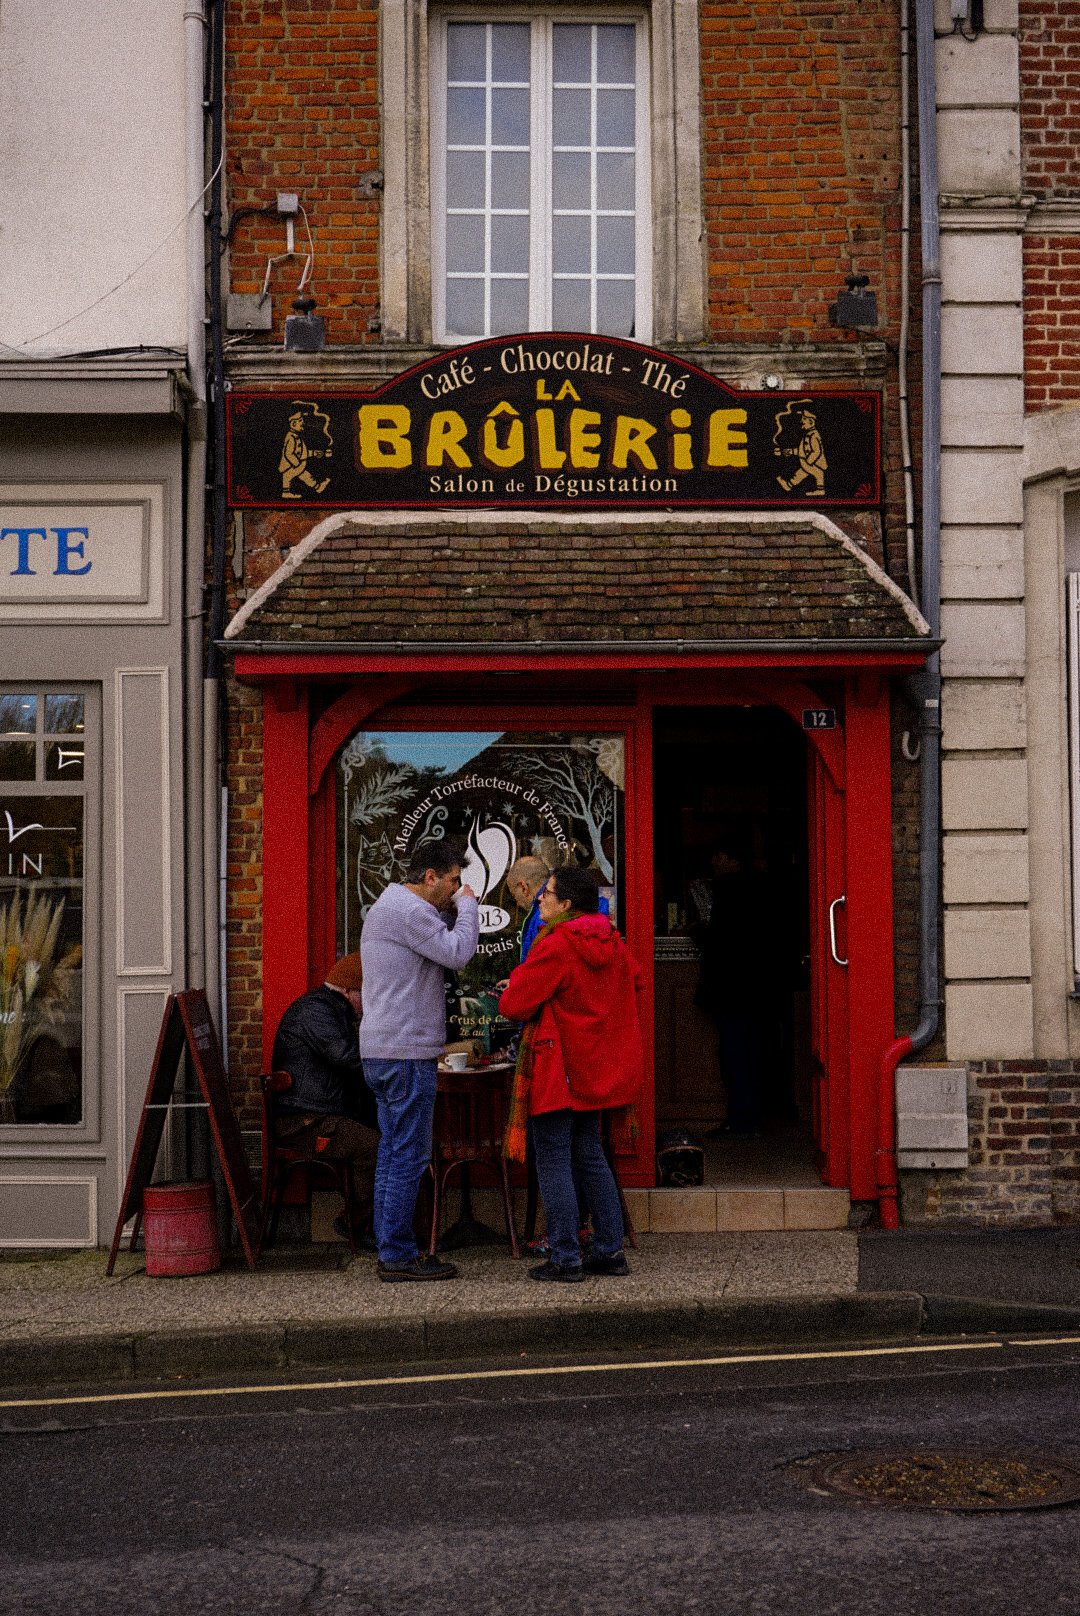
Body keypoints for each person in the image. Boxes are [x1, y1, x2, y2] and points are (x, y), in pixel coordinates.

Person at [499, 866, 643, 1282]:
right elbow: (635, 980)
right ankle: (609, 1251)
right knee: (591, 1155)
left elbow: (513, 1005)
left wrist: (521, 986)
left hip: (558, 1068)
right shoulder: (612, 940)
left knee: (554, 1159)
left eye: (546, 893)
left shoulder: (557, 944)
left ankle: (565, 1257)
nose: (540, 898)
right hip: (595, 1068)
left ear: (565, 904)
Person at [360, 839, 479, 1281]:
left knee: (393, 1153)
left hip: (383, 1049)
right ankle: (397, 1255)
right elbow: (458, 953)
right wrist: (469, 907)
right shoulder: (409, 912)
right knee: (409, 1156)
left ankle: (388, 1247)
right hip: (407, 1052)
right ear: (430, 877)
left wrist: (452, 909)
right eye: (453, 880)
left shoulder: (391, 906)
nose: (457, 888)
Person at [271, 953, 379, 1243]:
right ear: (348, 990)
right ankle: (354, 1223)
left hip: (318, 1114)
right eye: (367, 994)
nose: (370, 1004)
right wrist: (391, 1062)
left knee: (389, 1139)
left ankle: (383, 1227)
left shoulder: (330, 1009)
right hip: (305, 1122)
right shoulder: (316, 1011)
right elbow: (347, 1056)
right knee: (375, 1147)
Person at [692, 843, 770, 1136]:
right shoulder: (759, 887)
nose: (714, 861)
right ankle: (747, 1118)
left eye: (719, 855)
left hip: (732, 986)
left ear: (733, 859)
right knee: (749, 1052)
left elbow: (720, 938)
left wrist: (696, 931)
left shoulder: (728, 889)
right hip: (755, 984)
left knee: (735, 1054)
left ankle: (741, 1121)